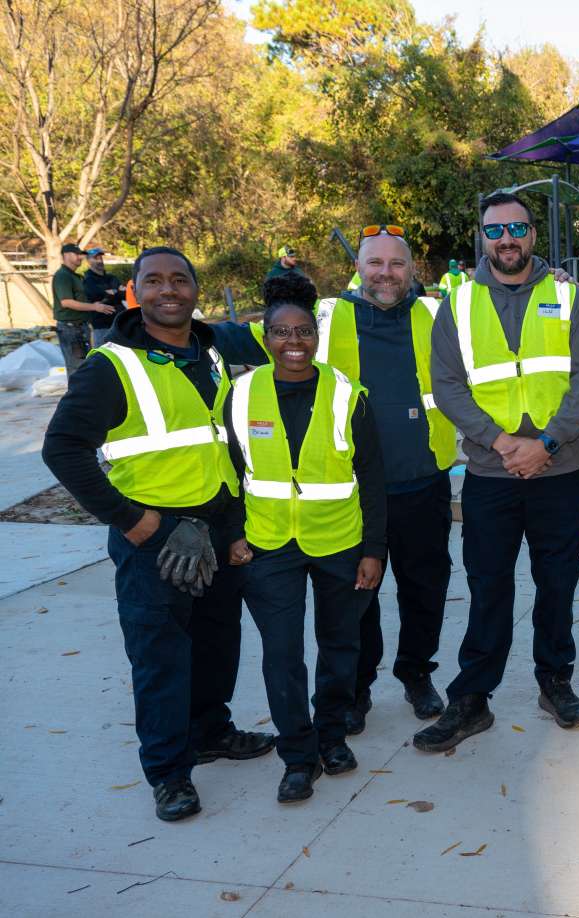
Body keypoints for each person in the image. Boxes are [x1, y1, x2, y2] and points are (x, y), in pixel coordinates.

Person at [41, 246, 275, 823]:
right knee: (160, 656)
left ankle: (211, 731)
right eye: (154, 280)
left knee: (219, 644)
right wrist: (138, 523)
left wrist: (237, 525)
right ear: (135, 292)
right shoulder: (112, 366)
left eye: (180, 279)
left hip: (219, 528)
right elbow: (62, 450)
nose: (168, 289)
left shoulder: (210, 352)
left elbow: (226, 443)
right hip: (155, 538)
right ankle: (169, 773)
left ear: (195, 289)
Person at [211, 226, 458, 733]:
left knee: (424, 589)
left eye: (396, 263)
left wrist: (558, 275)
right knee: (356, 603)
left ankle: (416, 673)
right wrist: (155, 328)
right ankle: (355, 690)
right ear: (358, 269)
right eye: (375, 263)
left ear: (412, 270)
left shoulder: (438, 315)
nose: (385, 273)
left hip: (422, 481)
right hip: (349, 495)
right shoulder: (324, 316)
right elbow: (248, 335)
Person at [417, 192, 579, 752]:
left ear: (533, 234)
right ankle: (472, 700)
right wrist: (501, 442)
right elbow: (447, 385)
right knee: (488, 587)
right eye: (495, 230)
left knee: (558, 585)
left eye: (517, 228)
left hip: (561, 469)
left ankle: (555, 682)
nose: (507, 239)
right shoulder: (458, 302)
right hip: (490, 475)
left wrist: (545, 443)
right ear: (483, 237)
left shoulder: (570, 298)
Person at [224, 273, 386, 804]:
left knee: (340, 644)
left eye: (303, 333)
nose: (294, 344)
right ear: (265, 336)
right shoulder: (241, 393)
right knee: (282, 653)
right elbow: (227, 472)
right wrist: (233, 535)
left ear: (316, 336)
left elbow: (372, 478)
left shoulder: (347, 394)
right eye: (281, 333)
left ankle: (333, 735)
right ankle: (298, 754)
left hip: (339, 541)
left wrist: (373, 550)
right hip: (268, 545)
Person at [52, 242, 111, 373]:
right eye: (77, 254)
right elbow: (66, 302)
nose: (80, 257)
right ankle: (77, 394)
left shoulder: (75, 276)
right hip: (70, 329)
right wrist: (94, 307)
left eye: (81, 255)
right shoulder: (63, 276)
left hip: (80, 328)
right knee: (77, 369)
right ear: (66, 255)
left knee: (84, 367)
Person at [82, 247, 125, 348]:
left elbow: (123, 294)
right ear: (88, 261)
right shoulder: (88, 280)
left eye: (101, 258)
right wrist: (115, 292)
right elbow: (95, 295)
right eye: (95, 258)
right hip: (102, 327)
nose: (99, 260)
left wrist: (111, 293)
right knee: (103, 358)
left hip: (118, 325)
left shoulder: (111, 277)